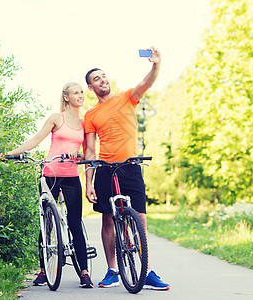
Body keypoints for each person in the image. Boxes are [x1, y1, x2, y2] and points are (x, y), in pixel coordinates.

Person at [83, 47, 169, 290]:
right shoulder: (91, 114)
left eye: (103, 76)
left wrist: (156, 64)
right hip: (105, 169)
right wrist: (88, 183)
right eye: (96, 79)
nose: (102, 80)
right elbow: (90, 150)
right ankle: (112, 270)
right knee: (108, 220)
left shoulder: (127, 97)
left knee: (140, 219)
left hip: (130, 167)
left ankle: (147, 269)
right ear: (91, 88)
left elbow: (147, 82)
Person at [0, 82, 93, 288]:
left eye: (81, 92)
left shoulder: (84, 122)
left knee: (75, 223)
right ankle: (43, 271)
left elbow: (87, 154)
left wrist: (76, 156)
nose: (81, 95)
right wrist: (12, 153)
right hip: (50, 173)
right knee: (47, 224)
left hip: (71, 176)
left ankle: (84, 273)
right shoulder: (56, 118)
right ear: (66, 97)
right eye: (76, 92)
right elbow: (36, 138)